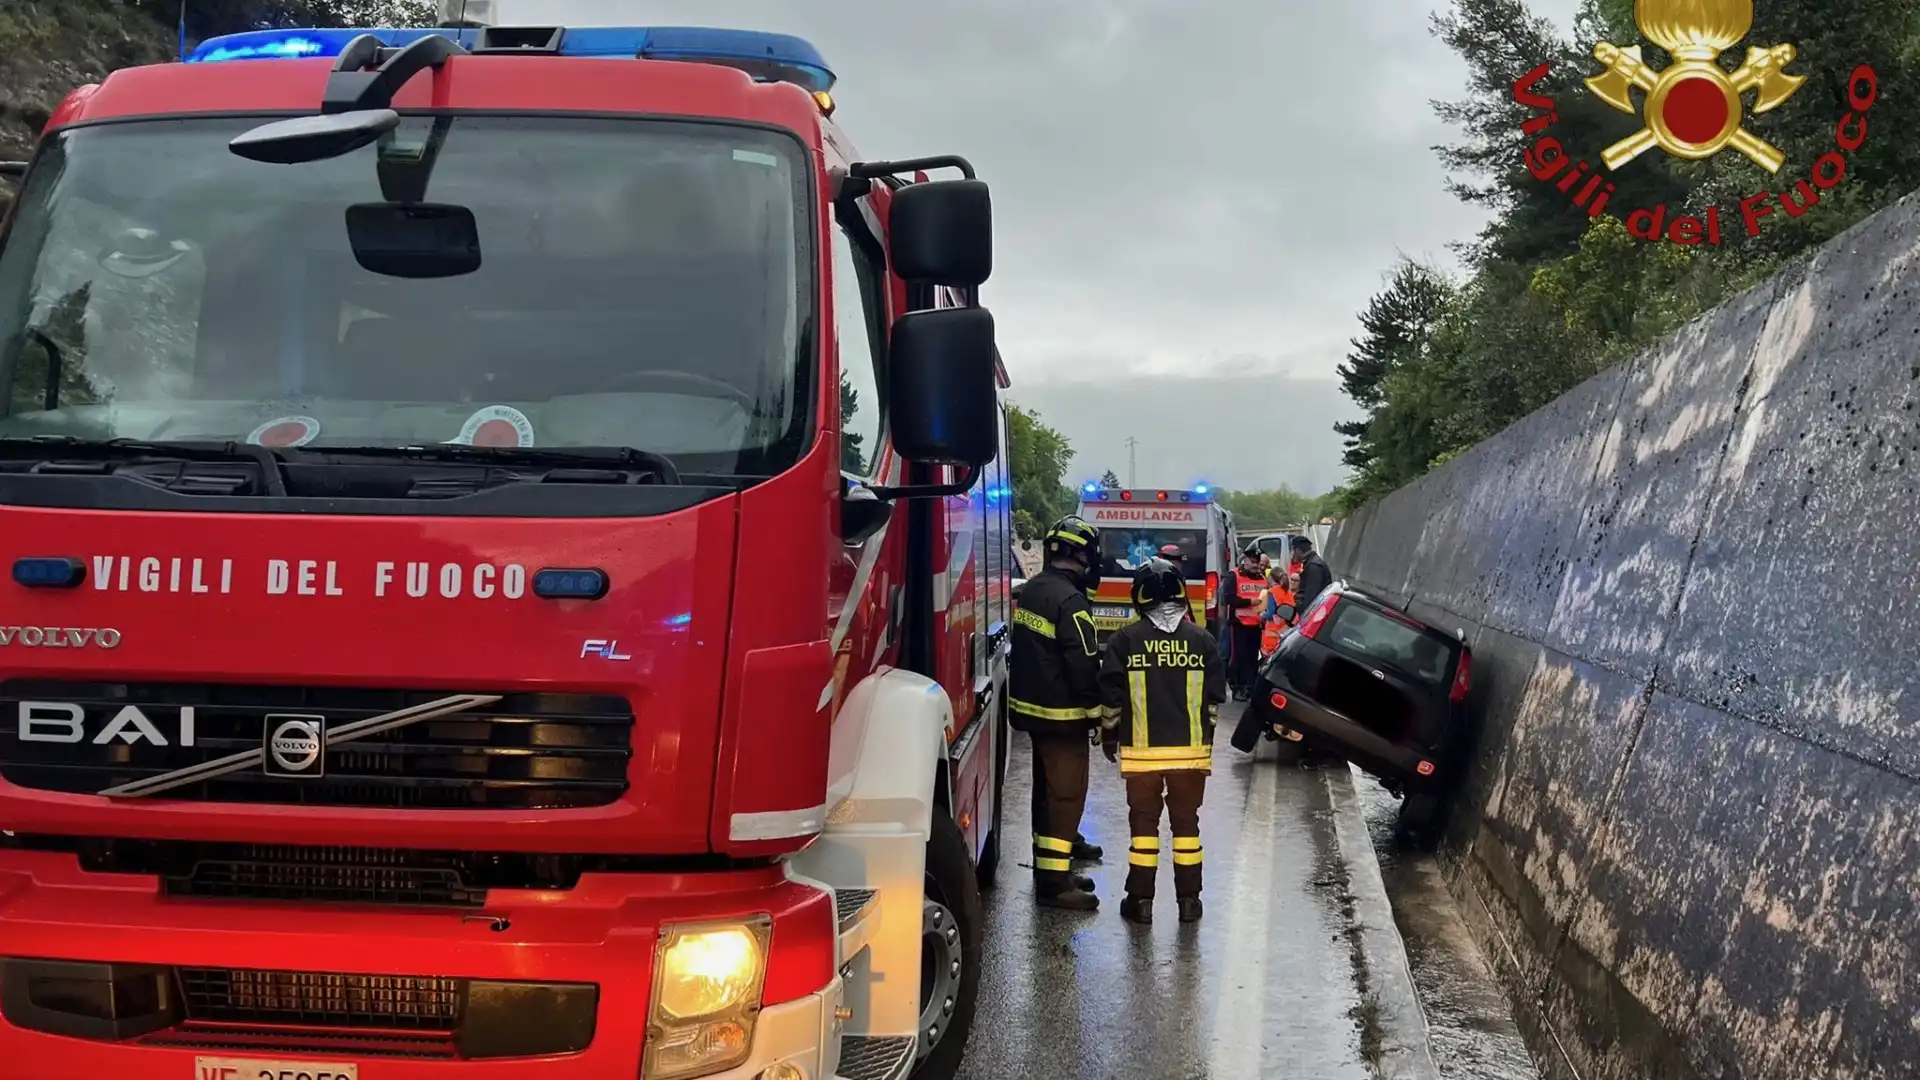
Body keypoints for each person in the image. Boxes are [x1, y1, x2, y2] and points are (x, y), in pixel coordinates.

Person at [1097, 558, 1225, 924]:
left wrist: (1109, 737)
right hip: (1191, 757)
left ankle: (1140, 902)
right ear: (1182, 593)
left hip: (1141, 758)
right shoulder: (1203, 640)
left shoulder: (1124, 641)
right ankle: (1190, 902)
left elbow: (1112, 701)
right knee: (1186, 828)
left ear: (1139, 597)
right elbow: (1215, 700)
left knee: (1144, 830)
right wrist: (1206, 741)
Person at [1008, 514, 1107, 910]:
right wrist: (1097, 713)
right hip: (1062, 717)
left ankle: (1052, 868)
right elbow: (1083, 662)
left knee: (1045, 796)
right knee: (1065, 796)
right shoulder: (1071, 601)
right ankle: (1054, 885)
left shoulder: (1034, 590)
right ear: (1082, 556)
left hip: (1033, 713)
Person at [1227, 545, 1266, 700]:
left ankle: (1249, 687)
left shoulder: (1262, 579)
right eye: (1252, 561)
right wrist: (1250, 601)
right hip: (1239, 624)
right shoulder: (1234, 575)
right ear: (1245, 561)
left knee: (1252, 658)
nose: (1256, 565)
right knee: (1238, 657)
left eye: (1257, 562)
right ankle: (1237, 687)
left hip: (1256, 625)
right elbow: (1229, 599)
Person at [1258, 565, 1298, 659]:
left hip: (1272, 633)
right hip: (1286, 632)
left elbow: (1270, 613)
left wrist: (1260, 615)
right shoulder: (1288, 592)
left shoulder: (1272, 592)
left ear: (1271, 578)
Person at [1291, 534, 1332, 617]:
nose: (1292, 554)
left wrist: (1304, 615)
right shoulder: (1311, 564)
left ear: (1298, 550)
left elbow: (1310, 600)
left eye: (1293, 550)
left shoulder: (1314, 567)